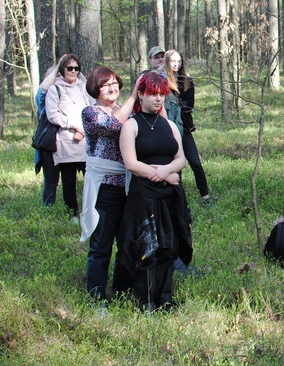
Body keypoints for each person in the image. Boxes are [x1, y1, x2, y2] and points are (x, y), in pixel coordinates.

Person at [118, 72, 192, 311]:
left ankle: (165, 298)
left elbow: (181, 158)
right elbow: (130, 162)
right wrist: (160, 174)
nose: (158, 99)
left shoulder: (170, 125)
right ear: (140, 94)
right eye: (152, 94)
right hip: (144, 195)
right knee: (146, 247)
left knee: (168, 246)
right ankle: (146, 301)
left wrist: (169, 170)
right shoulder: (131, 125)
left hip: (171, 194)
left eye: (161, 94)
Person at [80, 67, 139, 302]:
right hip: (105, 187)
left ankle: (123, 292)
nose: (113, 88)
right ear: (96, 88)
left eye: (115, 83)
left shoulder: (128, 111)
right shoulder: (90, 112)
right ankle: (96, 297)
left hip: (128, 185)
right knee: (101, 244)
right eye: (106, 85)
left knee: (127, 243)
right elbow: (113, 126)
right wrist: (134, 97)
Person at [45, 54, 95, 219]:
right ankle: (72, 214)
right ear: (62, 70)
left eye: (76, 68)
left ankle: (91, 211)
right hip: (67, 141)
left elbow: (92, 108)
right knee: (69, 181)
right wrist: (73, 125)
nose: (73, 71)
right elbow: (53, 115)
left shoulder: (84, 87)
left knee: (91, 179)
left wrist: (83, 130)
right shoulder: (55, 89)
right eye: (69, 68)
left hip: (86, 140)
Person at [164, 49, 213, 207]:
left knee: (195, 162)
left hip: (184, 128)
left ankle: (206, 198)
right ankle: (178, 200)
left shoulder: (187, 80)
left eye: (178, 61)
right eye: (173, 61)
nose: (176, 64)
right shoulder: (162, 80)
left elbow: (189, 105)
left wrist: (177, 105)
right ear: (167, 62)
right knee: (175, 165)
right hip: (168, 128)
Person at [35, 66, 61, 206]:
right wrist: (58, 66)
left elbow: (88, 88)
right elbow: (43, 89)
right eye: (55, 76)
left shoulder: (73, 94)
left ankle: (73, 210)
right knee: (51, 181)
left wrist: (75, 69)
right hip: (49, 144)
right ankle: (48, 209)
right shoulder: (44, 99)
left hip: (72, 144)